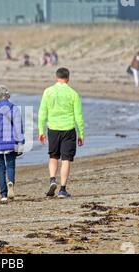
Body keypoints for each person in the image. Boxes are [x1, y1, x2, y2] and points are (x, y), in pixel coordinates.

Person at [38, 68, 84, 198]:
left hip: (53, 129)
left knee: (53, 156)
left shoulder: (48, 92)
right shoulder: (73, 93)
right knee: (66, 159)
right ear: (68, 78)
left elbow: (42, 114)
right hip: (68, 129)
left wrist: (41, 131)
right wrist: (81, 134)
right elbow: (78, 116)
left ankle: (52, 179)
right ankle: (62, 189)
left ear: (56, 77)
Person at [0, 85, 25, 203]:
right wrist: (21, 142)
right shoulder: (14, 108)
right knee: (11, 165)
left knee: (0, 167)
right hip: (10, 143)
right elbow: (18, 127)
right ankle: (10, 182)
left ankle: (3, 194)